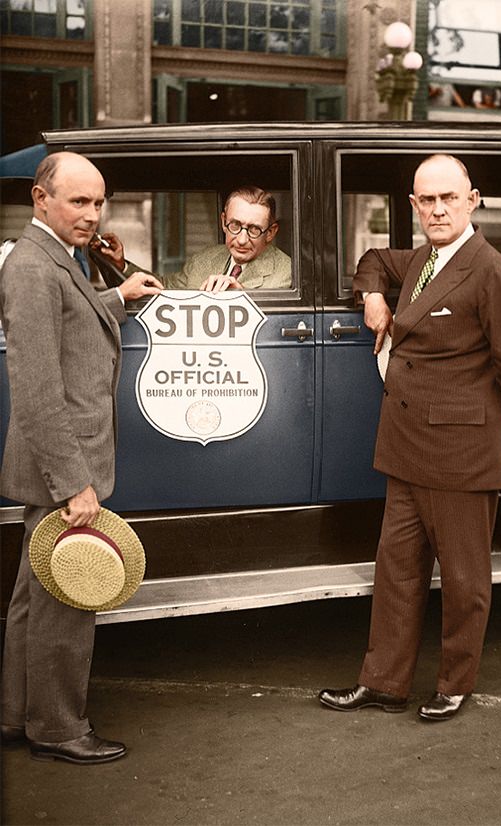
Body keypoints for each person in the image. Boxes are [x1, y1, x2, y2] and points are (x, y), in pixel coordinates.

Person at [319, 154, 501, 722]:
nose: (437, 208)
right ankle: (385, 683)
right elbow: (371, 259)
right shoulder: (422, 259)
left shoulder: (491, 270)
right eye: (426, 200)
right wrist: (373, 296)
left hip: (463, 452)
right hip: (408, 448)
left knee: (466, 581)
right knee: (396, 572)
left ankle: (455, 684)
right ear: (414, 205)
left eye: (449, 197)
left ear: (473, 200)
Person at [0, 151, 163, 763]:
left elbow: (71, 326)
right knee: (68, 597)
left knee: (32, 596)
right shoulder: (34, 267)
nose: (93, 214)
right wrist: (75, 486)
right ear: (41, 200)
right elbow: (39, 392)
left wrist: (116, 297)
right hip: (63, 465)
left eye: (99, 202)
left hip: (54, 463)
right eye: (78, 201)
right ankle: (59, 727)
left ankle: (18, 716)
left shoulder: (52, 258)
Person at [92, 185, 292, 292]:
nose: (241, 240)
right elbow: (163, 287)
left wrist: (241, 296)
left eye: (254, 230)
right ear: (224, 222)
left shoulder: (287, 273)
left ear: (272, 232)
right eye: (235, 226)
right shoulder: (204, 259)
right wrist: (120, 265)